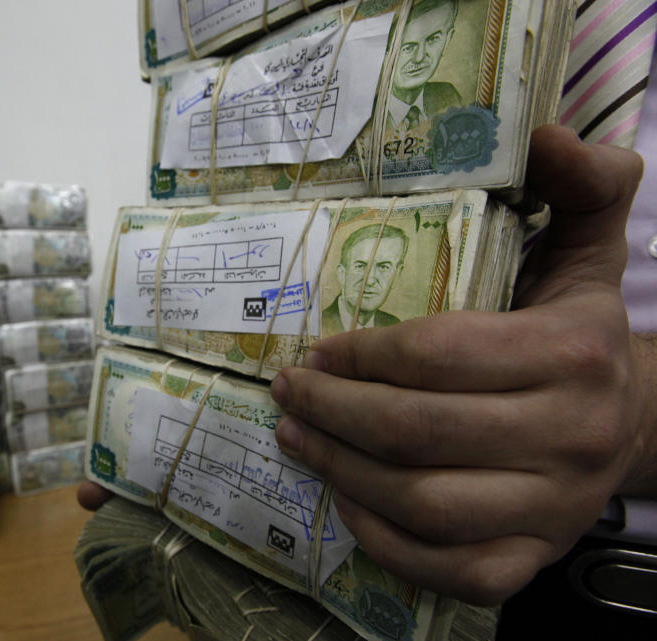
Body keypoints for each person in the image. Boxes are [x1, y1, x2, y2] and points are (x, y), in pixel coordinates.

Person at [77, 124, 657, 632]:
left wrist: (645, 413)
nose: (375, 281)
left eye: (387, 268)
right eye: (363, 267)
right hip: (256, 588)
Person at [320, 224, 408, 335]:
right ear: (342, 274)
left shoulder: (394, 326)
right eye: (360, 266)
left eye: (384, 267)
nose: (370, 281)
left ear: (396, 275)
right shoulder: (317, 325)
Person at [387, 0, 462, 130]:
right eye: (408, 47)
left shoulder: (449, 96)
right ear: (384, 55)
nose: (419, 57)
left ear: (447, 40)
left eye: (432, 40)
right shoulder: (365, 120)